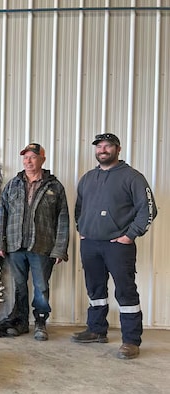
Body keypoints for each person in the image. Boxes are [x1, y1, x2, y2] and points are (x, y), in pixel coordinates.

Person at [71, 133, 157, 360]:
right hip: (90, 244)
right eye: (99, 146)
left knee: (125, 291)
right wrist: (82, 229)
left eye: (107, 146)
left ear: (118, 149)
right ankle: (97, 329)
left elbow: (148, 209)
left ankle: (131, 341)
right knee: (95, 289)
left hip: (118, 246)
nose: (102, 150)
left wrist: (130, 235)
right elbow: (79, 208)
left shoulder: (132, 177)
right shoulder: (88, 178)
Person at [0, 143, 69, 341]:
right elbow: (2, 214)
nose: (28, 161)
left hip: (42, 246)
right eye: (25, 157)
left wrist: (60, 249)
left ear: (42, 159)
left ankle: (40, 322)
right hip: (15, 246)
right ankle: (21, 322)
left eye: (33, 157)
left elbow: (63, 219)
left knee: (41, 287)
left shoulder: (54, 187)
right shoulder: (13, 185)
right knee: (19, 286)